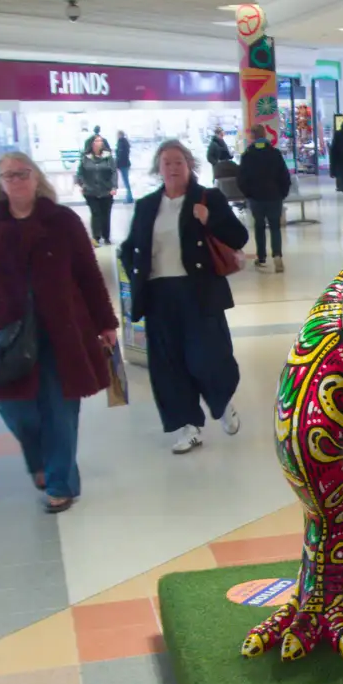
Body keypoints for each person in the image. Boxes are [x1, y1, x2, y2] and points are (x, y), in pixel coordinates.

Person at [0, 152, 118, 513]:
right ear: (0, 182)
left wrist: (105, 323)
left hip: (62, 331)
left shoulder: (62, 221)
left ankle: (60, 483)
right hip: (9, 335)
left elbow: (88, 275)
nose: (15, 180)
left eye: (22, 173)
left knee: (60, 410)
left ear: (36, 177)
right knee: (14, 408)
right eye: (7, 175)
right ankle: (41, 460)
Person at [118, 139, 249, 454]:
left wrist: (210, 219)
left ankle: (221, 402)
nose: (173, 168)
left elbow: (238, 236)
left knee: (208, 358)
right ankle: (188, 426)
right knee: (169, 365)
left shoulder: (209, 198)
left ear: (190, 166)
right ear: (158, 169)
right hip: (159, 294)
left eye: (179, 162)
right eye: (167, 163)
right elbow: (130, 247)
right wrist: (137, 274)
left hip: (199, 291)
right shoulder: (147, 205)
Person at [236, 126, 292, 272]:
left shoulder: (247, 156)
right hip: (274, 196)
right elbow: (285, 176)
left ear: (252, 137)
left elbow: (241, 179)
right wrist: (282, 193)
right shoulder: (275, 154)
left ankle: (261, 257)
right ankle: (277, 255)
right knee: (275, 227)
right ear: (265, 135)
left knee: (259, 227)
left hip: (256, 198)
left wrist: (248, 193)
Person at [76, 134, 118, 246]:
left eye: (101, 141)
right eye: (97, 141)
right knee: (95, 214)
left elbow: (114, 172)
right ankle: (96, 237)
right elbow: (80, 174)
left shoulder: (108, 157)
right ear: (92, 144)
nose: (100, 143)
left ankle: (107, 237)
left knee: (105, 214)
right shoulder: (85, 158)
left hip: (106, 190)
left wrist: (114, 187)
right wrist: (82, 185)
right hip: (90, 191)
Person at [115, 131, 132, 203]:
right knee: (126, 181)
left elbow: (120, 155)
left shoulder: (121, 142)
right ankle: (129, 197)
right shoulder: (126, 142)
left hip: (123, 164)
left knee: (126, 181)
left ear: (119, 135)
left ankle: (129, 198)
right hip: (126, 164)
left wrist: (117, 164)